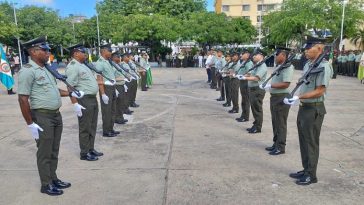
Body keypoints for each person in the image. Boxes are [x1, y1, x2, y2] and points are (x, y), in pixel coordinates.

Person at [18, 36, 81, 195]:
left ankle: (53, 178)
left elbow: (54, 90)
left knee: (54, 149)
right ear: (33, 51)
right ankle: (46, 184)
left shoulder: (47, 68)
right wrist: (30, 123)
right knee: (45, 152)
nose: (48, 52)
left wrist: (69, 93)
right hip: (42, 117)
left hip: (55, 115)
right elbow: (23, 98)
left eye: (48, 49)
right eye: (44, 50)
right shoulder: (27, 71)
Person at [284, 36, 333, 185]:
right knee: (304, 141)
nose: (305, 51)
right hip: (304, 107)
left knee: (311, 142)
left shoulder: (324, 66)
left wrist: (299, 96)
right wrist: (297, 98)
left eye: (308, 48)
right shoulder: (308, 65)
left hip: (314, 109)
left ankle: (311, 175)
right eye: (305, 48)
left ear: (319, 48)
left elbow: (320, 90)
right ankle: (306, 169)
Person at [65, 44, 103, 161]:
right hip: (84, 99)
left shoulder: (83, 65)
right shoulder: (73, 66)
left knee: (92, 125)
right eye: (83, 52)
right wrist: (75, 103)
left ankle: (91, 148)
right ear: (76, 53)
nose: (85, 55)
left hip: (92, 99)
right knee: (85, 127)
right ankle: (84, 153)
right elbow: (70, 86)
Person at [260, 47, 294, 155]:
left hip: (281, 97)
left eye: (276, 55)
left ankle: (280, 146)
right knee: (275, 122)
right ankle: (276, 143)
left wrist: (270, 85)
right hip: (275, 97)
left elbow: (286, 83)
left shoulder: (288, 67)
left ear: (283, 56)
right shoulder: (280, 66)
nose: (274, 57)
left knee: (280, 123)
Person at [95, 44, 120, 137]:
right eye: (109, 51)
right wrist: (103, 94)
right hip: (106, 88)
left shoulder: (108, 62)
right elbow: (99, 79)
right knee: (107, 111)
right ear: (104, 51)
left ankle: (111, 128)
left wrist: (115, 88)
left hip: (112, 87)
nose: (110, 53)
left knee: (113, 110)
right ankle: (106, 131)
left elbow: (111, 76)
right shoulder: (100, 63)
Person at [242, 49, 267, 134]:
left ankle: (258, 127)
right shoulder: (257, 65)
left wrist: (244, 78)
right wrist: (243, 75)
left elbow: (256, 78)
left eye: (255, 55)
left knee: (257, 109)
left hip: (257, 89)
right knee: (254, 108)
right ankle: (255, 124)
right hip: (253, 89)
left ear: (261, 56)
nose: (253, 57)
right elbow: (251, 74)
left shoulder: (263, 66)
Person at [236, 49, 253, 123]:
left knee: (246, 100)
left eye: (243, 54)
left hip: (246, 82)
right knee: (243, 100)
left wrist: (242, 76)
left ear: (247, 55)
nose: (241, 55)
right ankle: (243, 115)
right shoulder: (244, 62)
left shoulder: (249, 63)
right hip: (242, 81)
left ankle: (245, 116)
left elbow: (249, 73)